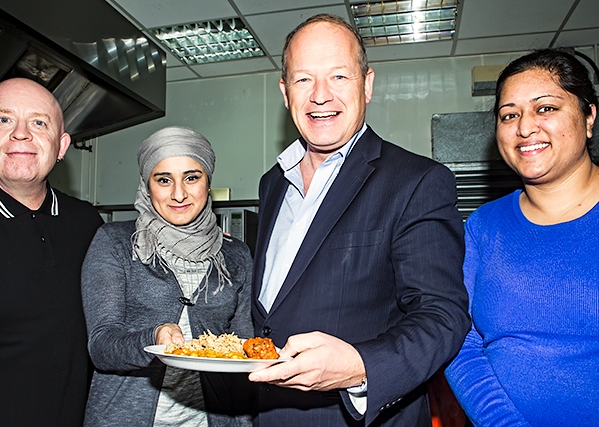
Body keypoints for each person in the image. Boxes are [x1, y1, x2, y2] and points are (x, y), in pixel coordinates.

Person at [247, 13, 471, 427]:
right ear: (284, 91)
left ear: (366, 84)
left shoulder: (417, 181)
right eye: (303, 80)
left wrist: (359, 366)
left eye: (338, 77)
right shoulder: (272, 183)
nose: (320, 95)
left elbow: (443, 316)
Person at [445, 49, 599, 427]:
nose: (524, 128)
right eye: (509, 114)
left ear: (589, 116)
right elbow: (459, 341)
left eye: (545, 108)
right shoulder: (482, 227)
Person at [81, 126, 254, 426]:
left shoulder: (236, 255)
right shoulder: (115, 243)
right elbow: (102, 346)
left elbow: (244, 348)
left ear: (207, 181)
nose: (179, 193)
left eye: (191, 177)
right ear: (147, 186)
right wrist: (154, 337)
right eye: (164, 180)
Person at [0, 77, 104, 426]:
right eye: (4, 120)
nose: (21, 134)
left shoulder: (87, 222)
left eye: (39, 123)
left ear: (61, 145)